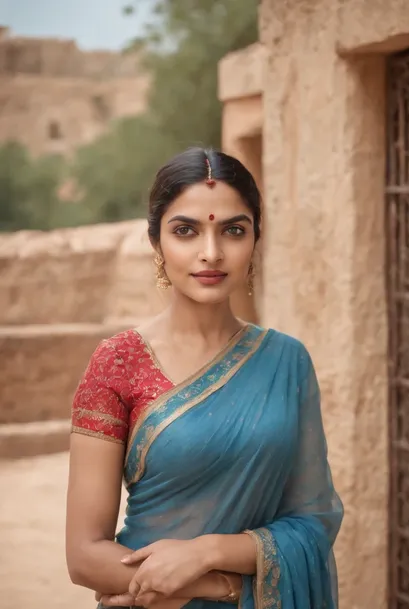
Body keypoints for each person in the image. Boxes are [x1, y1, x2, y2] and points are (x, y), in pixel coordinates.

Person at [66, 147, 343, 609]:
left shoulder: (287, 361)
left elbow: (313, 521)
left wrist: (205, 553)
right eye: (186, 231)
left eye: (233, 230)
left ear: (255, 239)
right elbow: (83, 555)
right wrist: (211, 586)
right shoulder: (117, 362)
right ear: (156, 241)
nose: (211, 253)